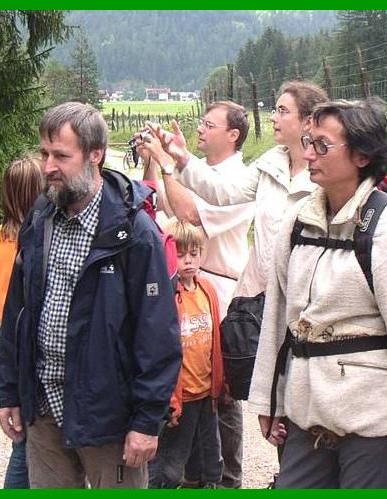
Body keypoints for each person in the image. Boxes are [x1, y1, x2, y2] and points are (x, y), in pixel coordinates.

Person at [246, 99, 387, 488]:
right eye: (308, 142)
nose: (309, 154)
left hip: (375, 423)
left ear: (362, 155)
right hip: (307, 414)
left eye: (322, 145)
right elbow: (278, 317)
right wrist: (267, 399)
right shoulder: (296, 224)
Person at [148, 81, 328, 488]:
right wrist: (181, 157)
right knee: (269, 397)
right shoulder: (271, 164)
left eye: (283, 111)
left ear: (307, 121)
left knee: (292, 396)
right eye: (275, 109)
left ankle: (271, 476)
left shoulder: (323, 173)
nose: (274, 117)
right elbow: (224, 192)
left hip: (309, 304)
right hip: (262, 301)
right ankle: (285, 475)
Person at [0, 102, 182, 489]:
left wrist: (147, 421)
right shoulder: (40, 217)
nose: (48, 167)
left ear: (96, 155)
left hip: (109, 417)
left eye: (61, 156)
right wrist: (8, 391)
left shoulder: (134, 232)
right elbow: (17, 312)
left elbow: (158, 334)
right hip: (44, 406)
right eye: (45, 154)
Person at [137, 101, 253, 489]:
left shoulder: (240, 181)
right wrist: (152, 162)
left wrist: (168, 163)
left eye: (209, 124)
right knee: (187, 381)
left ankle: (227, 479)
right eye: (201, 122)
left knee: (223, 390)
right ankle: (192, 474)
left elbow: (188, 216)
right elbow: (162, 206)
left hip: (220, 290)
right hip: (187, 286)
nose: (200, 129)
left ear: (233, 135)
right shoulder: (201, 170)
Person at [0, 154, 44, 488]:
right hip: (37, 341)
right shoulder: (44, 237)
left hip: (10, 343)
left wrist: (4, 307)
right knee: (31, 440)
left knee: (24, 433)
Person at [148, 221, 225, 488]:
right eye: (180, 255)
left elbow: (216, 340)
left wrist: (221, 383)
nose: (188, 261)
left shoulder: (207, 290)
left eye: (194, 253)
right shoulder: (166, 293)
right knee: (168, 467)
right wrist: (168, 398)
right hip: (181, 397)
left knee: (208, 463)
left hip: (206, 395)